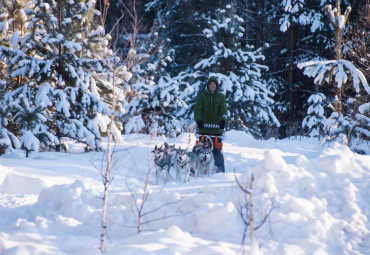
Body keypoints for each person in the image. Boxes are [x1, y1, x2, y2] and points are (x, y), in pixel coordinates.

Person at [194, 76, 227, 172]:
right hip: (203, 128)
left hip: (217, 130)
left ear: (216, 86)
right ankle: (196, 166)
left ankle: (219, 167)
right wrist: (198, 120)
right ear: (208, 85)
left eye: (214, 84)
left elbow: (224, 110)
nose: (212, 86)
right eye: (211, 84)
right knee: (200, 148)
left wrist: (223, 120)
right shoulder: (202, 96)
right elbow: (197, 109)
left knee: (216, 150)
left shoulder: (221, 97)